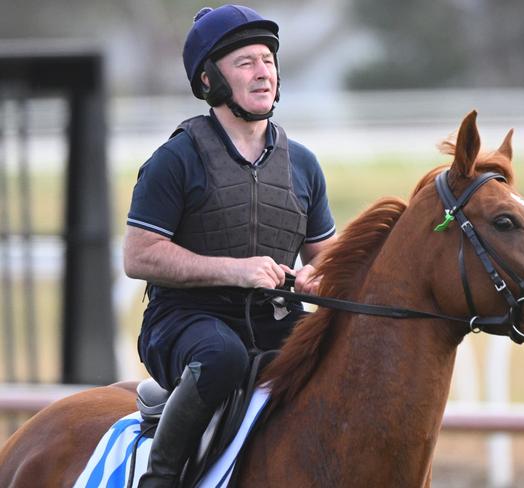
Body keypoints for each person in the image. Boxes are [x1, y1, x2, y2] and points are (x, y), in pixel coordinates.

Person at [123, 4, 336, 486]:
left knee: (343, 351)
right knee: (223, 355)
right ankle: (160, 476)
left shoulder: (303, 164)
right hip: (183, 322)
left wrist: (318, 276)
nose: (264, 73)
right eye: (246, 63)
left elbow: (326, 259)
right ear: (209, 83)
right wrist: (235, 270)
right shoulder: (174, 160)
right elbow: (138, 256)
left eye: (268, 61)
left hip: (273, 319)